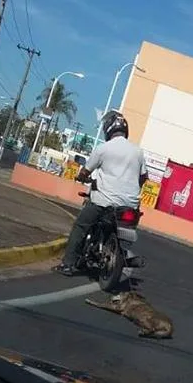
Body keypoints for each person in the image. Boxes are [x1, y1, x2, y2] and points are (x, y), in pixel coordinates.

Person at [53, 110, 148, 276]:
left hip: (103, 202)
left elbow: (85, 171)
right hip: (129, 205)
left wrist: (81, 177)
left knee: (80, 226)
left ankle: (68, 264)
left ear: (108, 129)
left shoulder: (103, 149)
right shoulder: (138, 152)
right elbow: (143, 177)